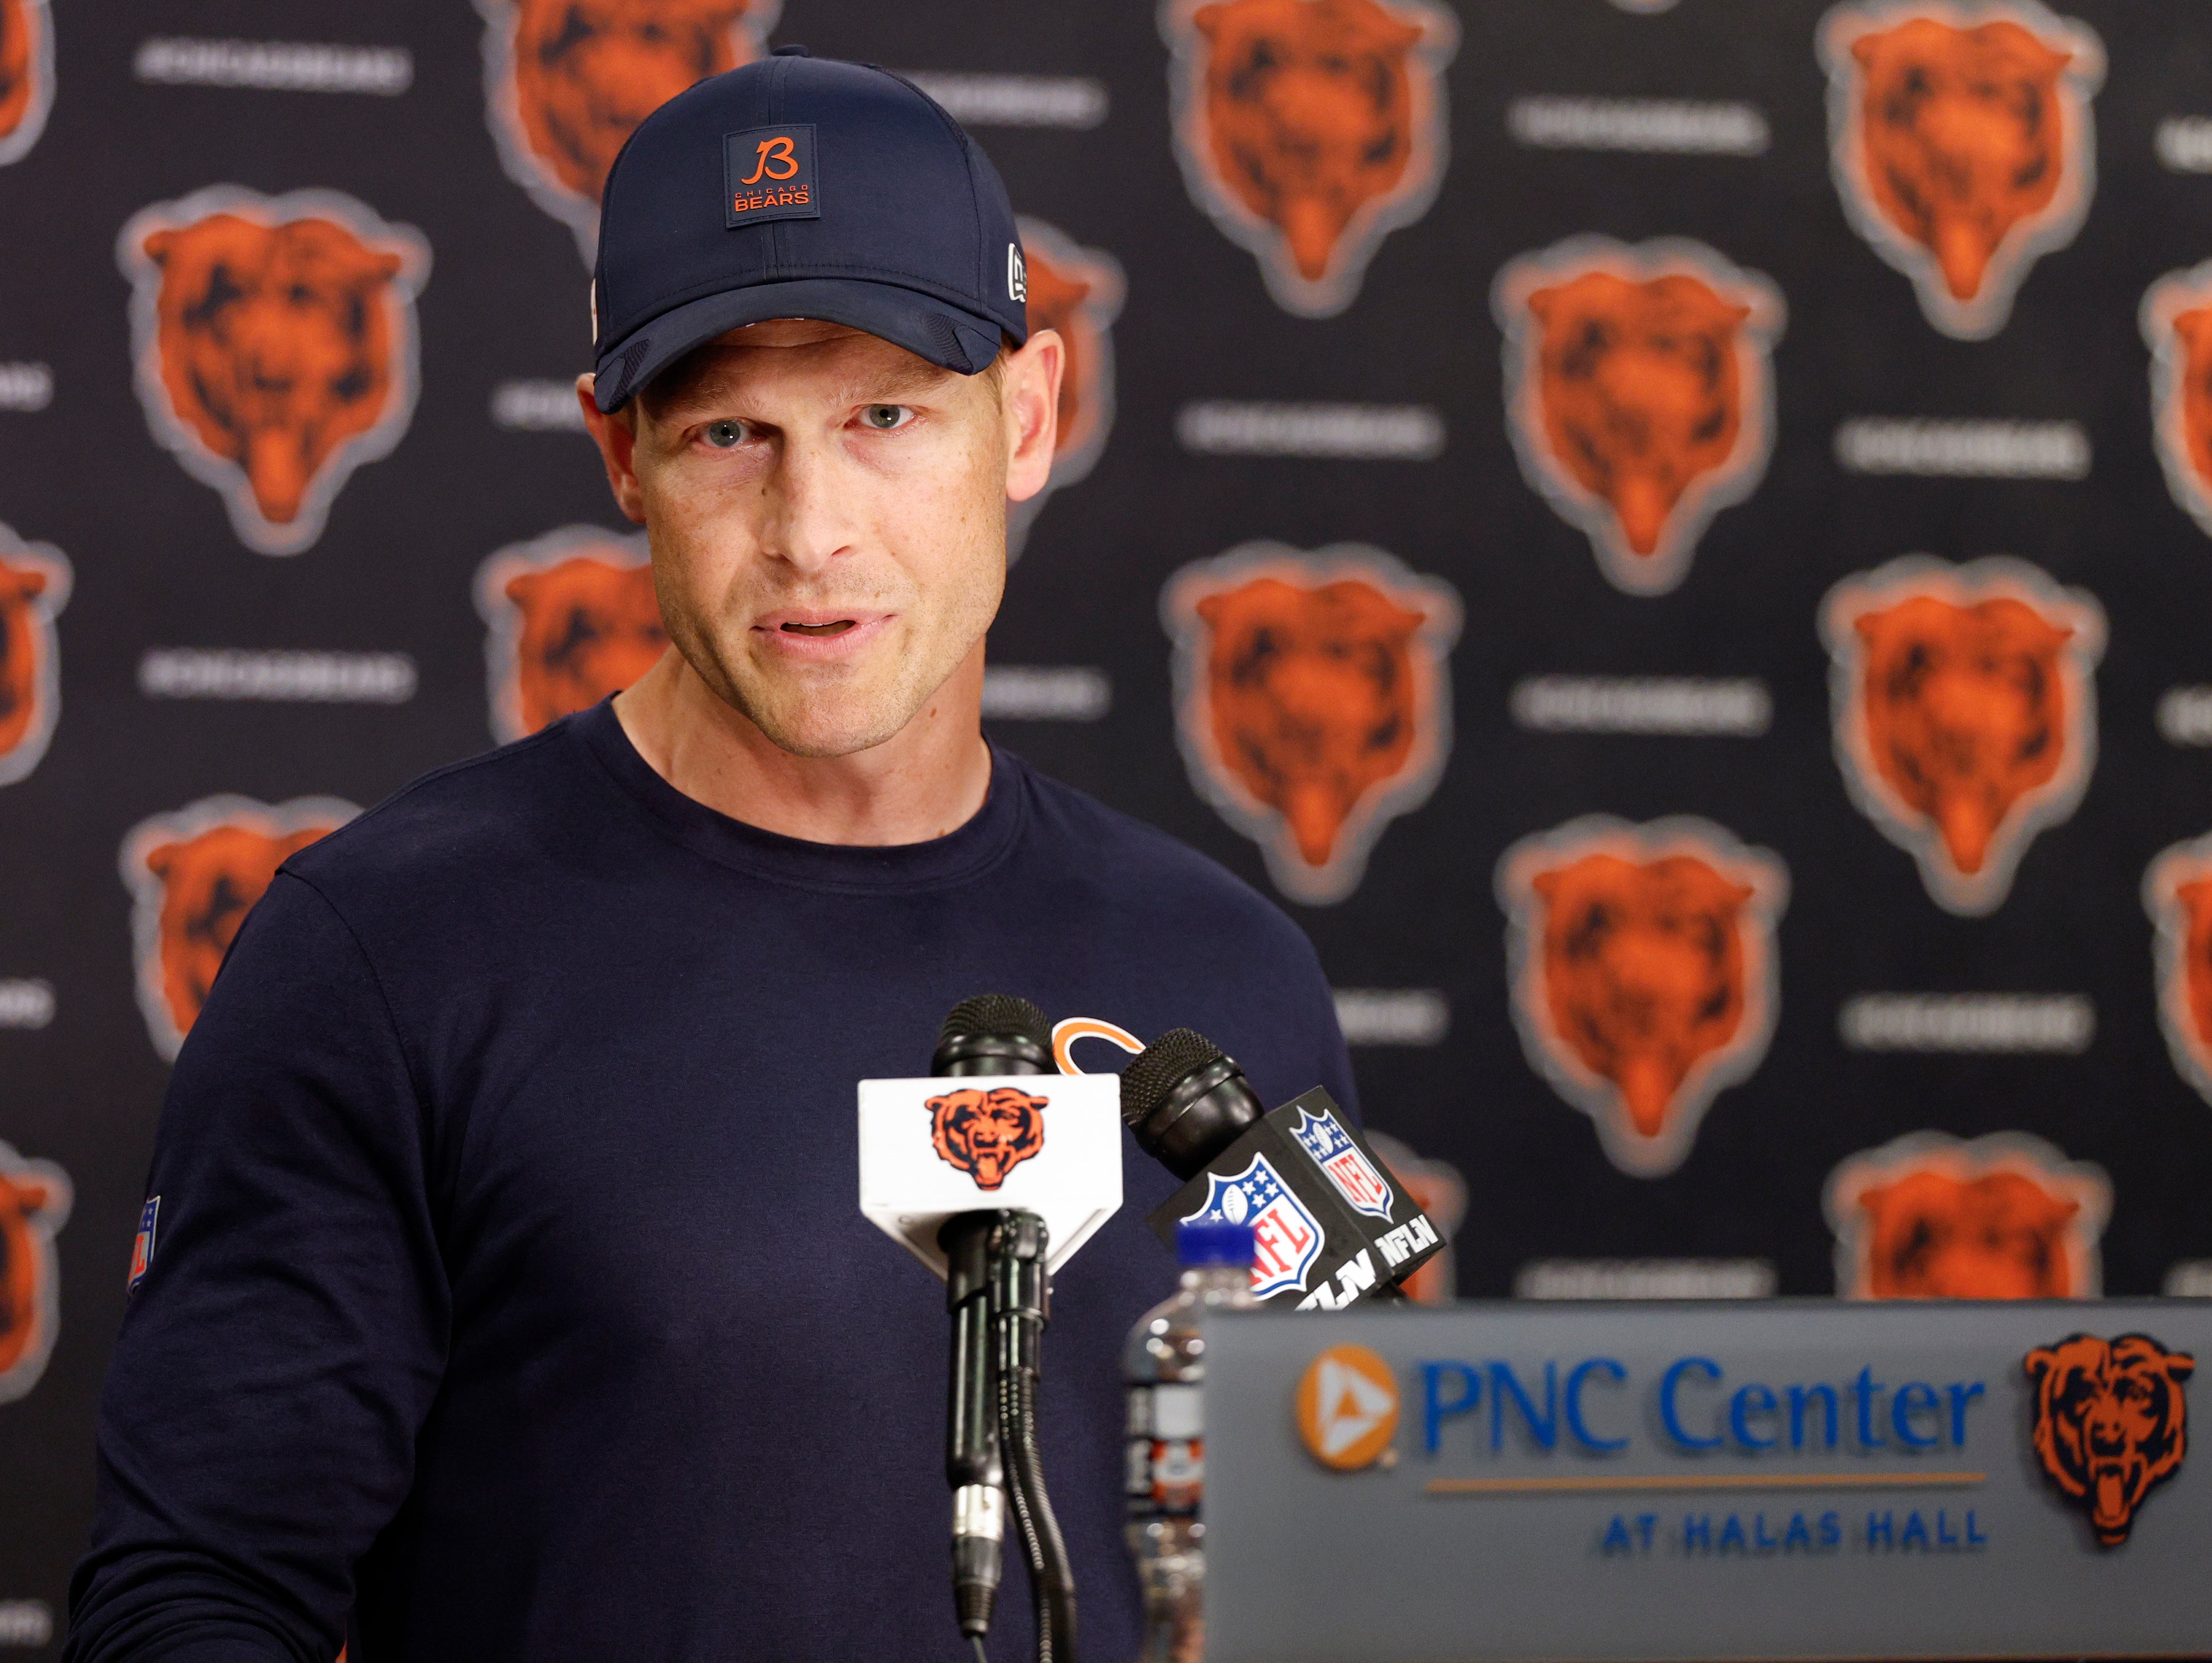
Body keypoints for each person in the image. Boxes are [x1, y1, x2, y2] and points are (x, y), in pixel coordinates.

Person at [65, 49, 1352, 1663]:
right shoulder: (392, 953)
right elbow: (200, 1601)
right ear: (622, 459)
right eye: (732, 434)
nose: (811, 530)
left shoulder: (1227, 969)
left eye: (885, 416)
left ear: (1025, 420)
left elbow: (1328, 1540)